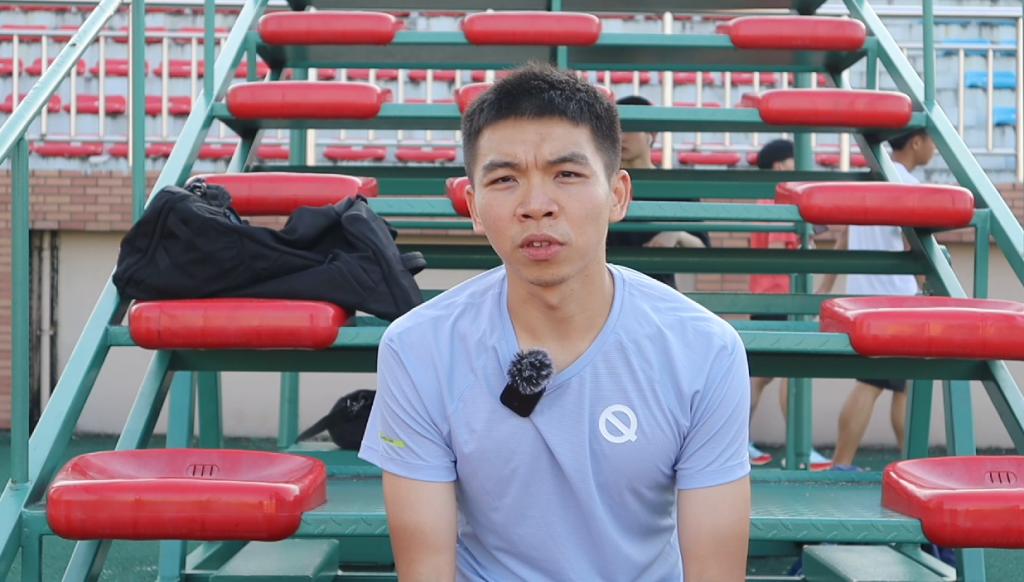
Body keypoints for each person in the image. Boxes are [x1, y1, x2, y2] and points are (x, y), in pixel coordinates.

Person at [359, 65, 751, 581]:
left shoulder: (705, 349)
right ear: (474, 206)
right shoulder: (418, 347)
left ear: (617, 195)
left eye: (566, 174)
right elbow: (426, 569)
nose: (536, 206)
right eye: (504, 179)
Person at [816, 128, 935, 469]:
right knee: (875, 384)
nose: (935, 149)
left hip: (865, 298)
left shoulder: (869, 180)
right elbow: (915, 246)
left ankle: (907, 463)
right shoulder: (908, 186)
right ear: (916, 142)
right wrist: (926, 287)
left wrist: (826, 286)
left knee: (897, 387)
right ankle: (845, 463)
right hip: (897, 300)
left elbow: (844, 239)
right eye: (932, 141)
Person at [747, 140, 832, 471]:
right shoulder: (778, 201)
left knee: (760, 377)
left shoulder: (761, 200)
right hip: (782, 295)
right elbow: (788, 249)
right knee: (791, 374)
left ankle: (739, 442)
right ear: (782, 165)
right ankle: (800, 447)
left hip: (766, 295)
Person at [607, 95, 709, 289]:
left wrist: (676, 233)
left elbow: (703, 249)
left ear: (652, 134)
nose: (621, 137)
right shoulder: (602, 184)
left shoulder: (677, 186)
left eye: (629, 128)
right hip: (609, 291)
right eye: (616, 130)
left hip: (660, 290)